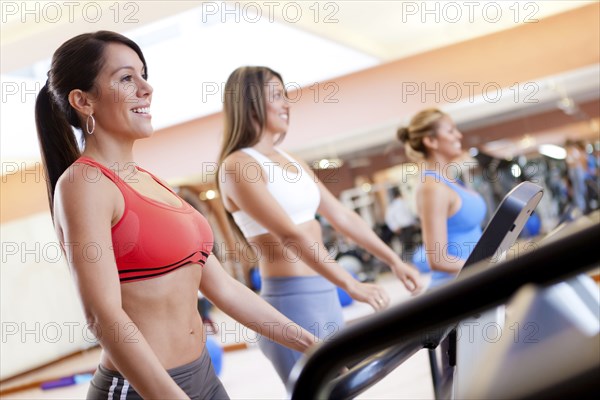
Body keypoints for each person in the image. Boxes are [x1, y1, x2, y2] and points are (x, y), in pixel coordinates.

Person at [35, 31, 318, 400]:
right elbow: (103, 316)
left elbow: (224, 289)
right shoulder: (85, 182)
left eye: (143, 74)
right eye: (125, 78)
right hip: (143, 389)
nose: (146, 87)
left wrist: (311, 344)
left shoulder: (153, 182)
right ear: (83, 100)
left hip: (202, 373)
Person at [217, 66, 422, 383]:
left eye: (285, 95)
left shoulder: (290, 159)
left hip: (324, 294)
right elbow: (289, 235)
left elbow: (342, 215)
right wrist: (351, 284)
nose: (286, 104)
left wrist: (393, 260)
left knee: (342, 389)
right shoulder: (237, 165)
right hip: (291, 301)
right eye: (276, 95)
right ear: (249, 102)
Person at [397, 108, 487, 289]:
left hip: (475, 278)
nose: (459, 135)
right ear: (430, 141)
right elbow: (438, 259)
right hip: (455, 286)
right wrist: (487, 267)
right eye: (451, 131)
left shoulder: (451, 181)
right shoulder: (432, 187)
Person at [384, 186, 419, 261]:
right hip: (401, 227)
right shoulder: (392, 206)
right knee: (405, 244)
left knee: (410, 243)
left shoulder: (403, 203)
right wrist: (395, 227)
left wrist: (413, 223)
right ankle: (407, 260)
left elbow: (409, 214)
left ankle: (413, 259)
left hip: (408, 226)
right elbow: (389, 218)